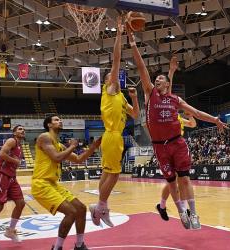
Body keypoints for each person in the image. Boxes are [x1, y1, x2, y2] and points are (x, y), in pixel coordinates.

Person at [127, 28, 227, 230]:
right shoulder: (150, 94)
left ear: (168, 83)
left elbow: (197, 113)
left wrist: (214, 119)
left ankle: (194, 213)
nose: (157, 80)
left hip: (177, 143)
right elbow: (141, 67)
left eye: (161, 78)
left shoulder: (175, 99)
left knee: (185, 179)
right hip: (160, 147)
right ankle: (181, 211)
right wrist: (133, 44)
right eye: (156, 79)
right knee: (171, 183)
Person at [89, 17, 139, 228]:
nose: (116, 78)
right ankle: (100, 206)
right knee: (115, 174)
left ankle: (101, 207)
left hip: (114, 137)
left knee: (107, 173)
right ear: (109, 81)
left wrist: (135, 98)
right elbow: (116, 61)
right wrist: (119, 34)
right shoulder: (109, 92)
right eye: (113, 76)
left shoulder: (120, 98)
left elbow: (136, 115)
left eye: (116, 77)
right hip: (111, 135)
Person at [32, 115, 101, 250]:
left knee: (81, 209)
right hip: (41, 184)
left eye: (60, 119)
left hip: (53, 184)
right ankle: (57, 247)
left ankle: (79, 245)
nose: (60, 121)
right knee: (71, 212)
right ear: (49, 125)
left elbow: (79, 159)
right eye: (56, 120)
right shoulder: (44, 137)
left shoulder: (59, 145)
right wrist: (73, 146)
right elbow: (57, 158)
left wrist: (93, 147)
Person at [156, 56, 197, 221]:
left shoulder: (180, 119)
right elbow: (168, 92)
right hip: (164, 147)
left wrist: (191, 114)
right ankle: (163, 204)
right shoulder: (164, 108)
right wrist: (171, 71)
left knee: (181, 181)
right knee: (171, 182)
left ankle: (181, 210)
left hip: (177, 146)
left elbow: (193, 124)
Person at [0, 125, 26, 250]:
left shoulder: (20, 146)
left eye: (24, 129)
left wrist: (15, 163)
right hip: (1, 176)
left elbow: (14, 161)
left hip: (12, 178)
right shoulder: (11, 141)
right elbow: (2, 153)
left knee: (21, 203)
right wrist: (15, 162)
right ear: (14, 132)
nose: (23, 130)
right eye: (20, 129)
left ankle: (10, 230)